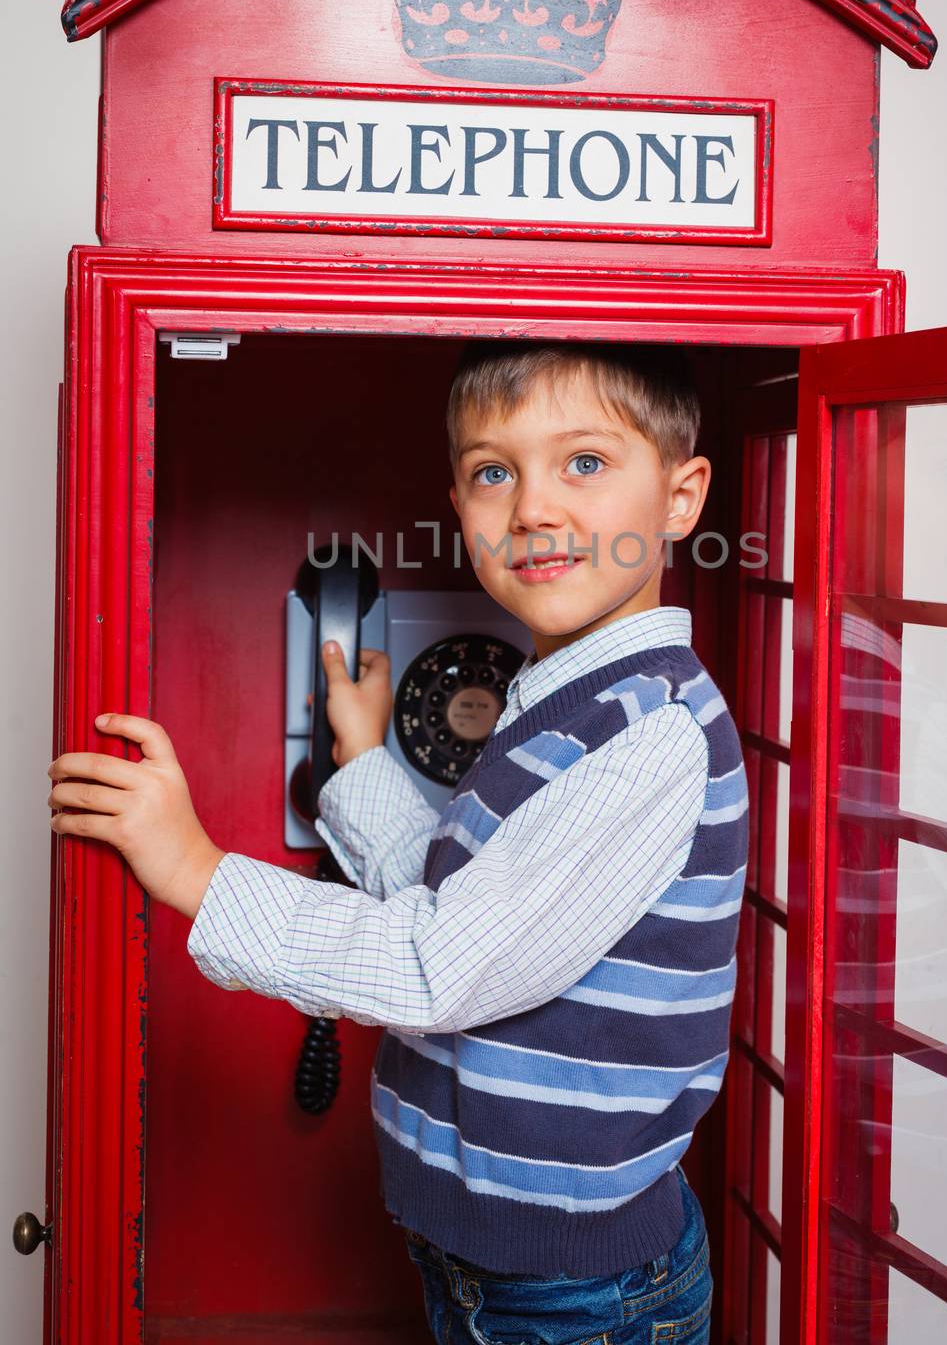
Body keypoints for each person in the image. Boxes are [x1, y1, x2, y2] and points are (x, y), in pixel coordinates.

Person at [46, 338, 748, 1344]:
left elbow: (434, 966)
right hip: (502, 1264)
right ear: (457, 502)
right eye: (492, 471)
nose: (535, 509)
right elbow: (451, 895)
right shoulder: (563, 700)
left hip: (569, 1294)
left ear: (679, 499)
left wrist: (197, 869)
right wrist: (364, 755)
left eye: (583, 463)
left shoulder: (644, 733)